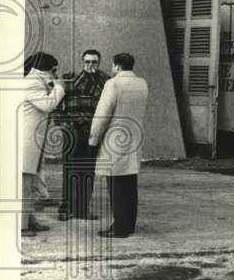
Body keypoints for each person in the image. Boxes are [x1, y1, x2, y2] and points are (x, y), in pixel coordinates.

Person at [89, 52, 147, 238]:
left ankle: (120, 228)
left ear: (117, 66)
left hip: (114, 139)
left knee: (116, 186)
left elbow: (102, 115)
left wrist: (93, 140)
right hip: (134, 137)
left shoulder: (112, 83)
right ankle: (128, 224)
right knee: (130, 184)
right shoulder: (142, 83)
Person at [55, 49, 110, 221]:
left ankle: (82, 210)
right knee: (70, 171)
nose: (90, 65)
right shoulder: (70, 80)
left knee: (87, 172)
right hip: (72, 131)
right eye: (87, 62)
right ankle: (65, 209)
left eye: (94, 62)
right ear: (82, 62)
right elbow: (56, 103)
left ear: (99, 63)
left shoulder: (106, 82)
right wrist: (61, 122)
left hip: (92, 133)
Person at [21, 52, 66, 237]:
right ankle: (22, 226)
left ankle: (29, 220)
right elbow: (48, 104)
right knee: (24, 186)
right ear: (45, 67)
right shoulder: (31, 82)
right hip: (25, 141)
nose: (54, 73)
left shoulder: (36, 80)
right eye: (53, 69)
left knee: (29, 184)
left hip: (33, 141)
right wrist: (60, 87)